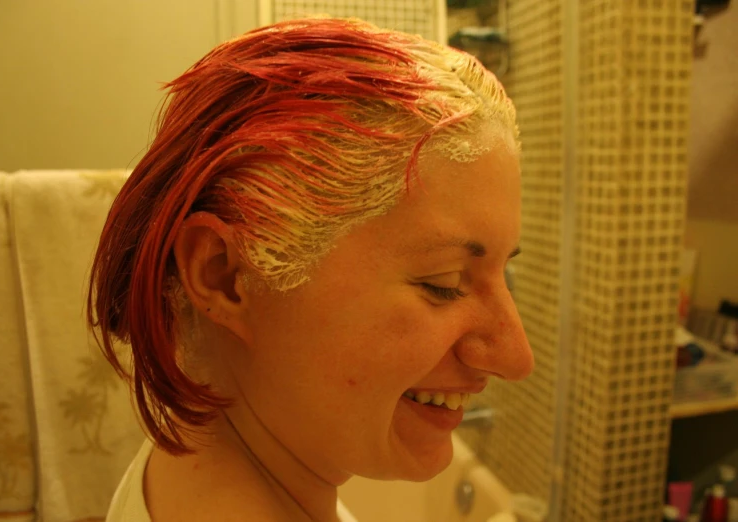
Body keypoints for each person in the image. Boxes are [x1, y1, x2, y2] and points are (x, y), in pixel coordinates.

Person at [88, 16, 534, 522]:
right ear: (225, 276)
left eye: (505, 274)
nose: (516, 358)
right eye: (444, 285)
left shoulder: (189, 464)